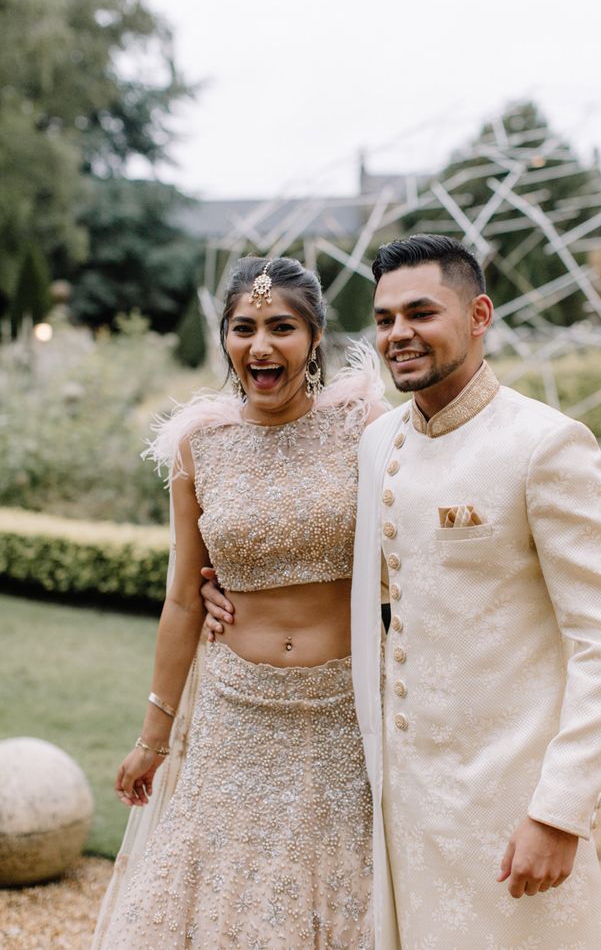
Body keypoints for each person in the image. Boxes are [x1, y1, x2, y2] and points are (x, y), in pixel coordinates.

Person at [350, 234, 601, 948]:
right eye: (385, 318)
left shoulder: (546, 444)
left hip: (511, 802)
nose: (398, 334)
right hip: (403, 803)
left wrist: (560, 812)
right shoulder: (377, 441)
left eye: (421, 312)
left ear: (479, 315)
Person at [92, 256, 386, 950]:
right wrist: (151, 741)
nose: (261, 346)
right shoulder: (201, 446)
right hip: (233, 715)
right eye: (243, 328)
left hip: (342, 715)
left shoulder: (364, 427)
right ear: (224, 337)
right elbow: (182, 600)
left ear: (315, 338)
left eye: (281, 327)